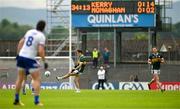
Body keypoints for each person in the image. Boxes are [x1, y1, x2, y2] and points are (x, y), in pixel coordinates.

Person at [13, 20, 48, 106]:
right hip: (29, 59)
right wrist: (44, 61)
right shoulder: (41, 36)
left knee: (20, 78)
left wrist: (18, 54)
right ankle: (36, 101)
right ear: (43, 28)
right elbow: (40, 51)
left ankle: (17, 99)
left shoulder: (29, 31)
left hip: (21, 57)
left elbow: (21, 42)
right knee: (37, 79)